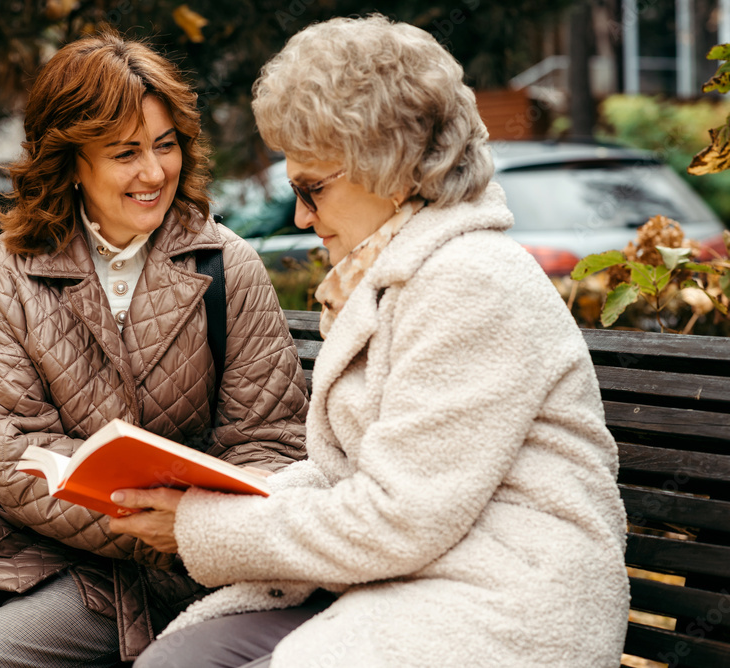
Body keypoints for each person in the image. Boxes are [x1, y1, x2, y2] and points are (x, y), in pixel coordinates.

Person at [111, 15, 630, 668]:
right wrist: (210, 502)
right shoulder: (396, 275)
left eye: (312, 189)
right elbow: (360, 486)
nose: (300, 215)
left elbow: (395, 518)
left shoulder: (470, 282)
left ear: (389, 167)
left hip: (502, 605)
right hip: (411, 578)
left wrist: (200, 526)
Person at [0, 30, 308, 668]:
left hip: (149, 571)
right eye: (125, 153)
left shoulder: (228, 268)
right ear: (69, 161)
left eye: (166, 145)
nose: (154, 172)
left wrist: (179, 524)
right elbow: (10, 449)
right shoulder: (5, 270)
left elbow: (272, 444)